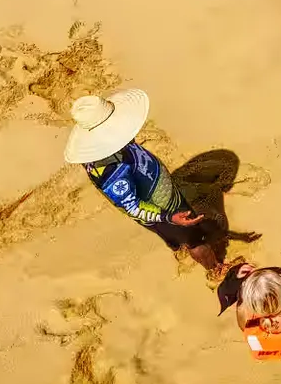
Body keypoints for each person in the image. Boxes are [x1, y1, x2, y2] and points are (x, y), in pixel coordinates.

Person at [64, 89, 220, 272]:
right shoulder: (111, 174)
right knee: (196, 240)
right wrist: (169, 217)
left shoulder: (102, 147)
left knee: (172, 235)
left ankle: (177, 245)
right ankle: (215, 268)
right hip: (164, 209)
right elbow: (133, 207)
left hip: (160, 195)